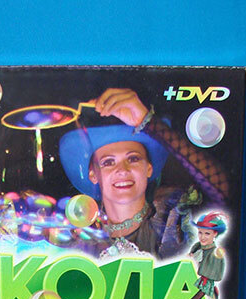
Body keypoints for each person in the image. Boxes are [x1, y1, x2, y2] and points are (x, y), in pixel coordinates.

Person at [59, 88, 173, 259]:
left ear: (148, 168)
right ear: (93, 175)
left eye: (133, 159)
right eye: (108, 162)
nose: (122, 170)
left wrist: (147, 121)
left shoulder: (173, 221)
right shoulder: (78, 243)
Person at [172, 212, 227, 299]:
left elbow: (206, 287)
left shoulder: (215, 255)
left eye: (207, 233)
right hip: (188, 293)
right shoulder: (197, 246)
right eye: (200, 232)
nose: (202, 237)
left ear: (215, 234)